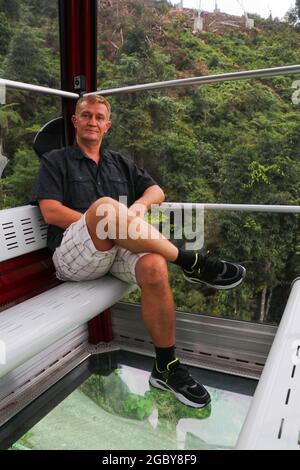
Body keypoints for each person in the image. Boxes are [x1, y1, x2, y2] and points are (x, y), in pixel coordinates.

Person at [31, 95, 246, 409]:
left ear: (108, 125)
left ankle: (165, 366)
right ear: (75, 121)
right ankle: (192, 262)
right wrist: (104, 223)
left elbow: (156, 190)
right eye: (86, 115)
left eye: (99, 117)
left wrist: (137, 208)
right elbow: (50, 212)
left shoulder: (119, 162)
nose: (92, 121)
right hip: (73, 254)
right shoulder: (56, 161)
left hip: (114, 249)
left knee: (155, 265)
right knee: (105, 208)